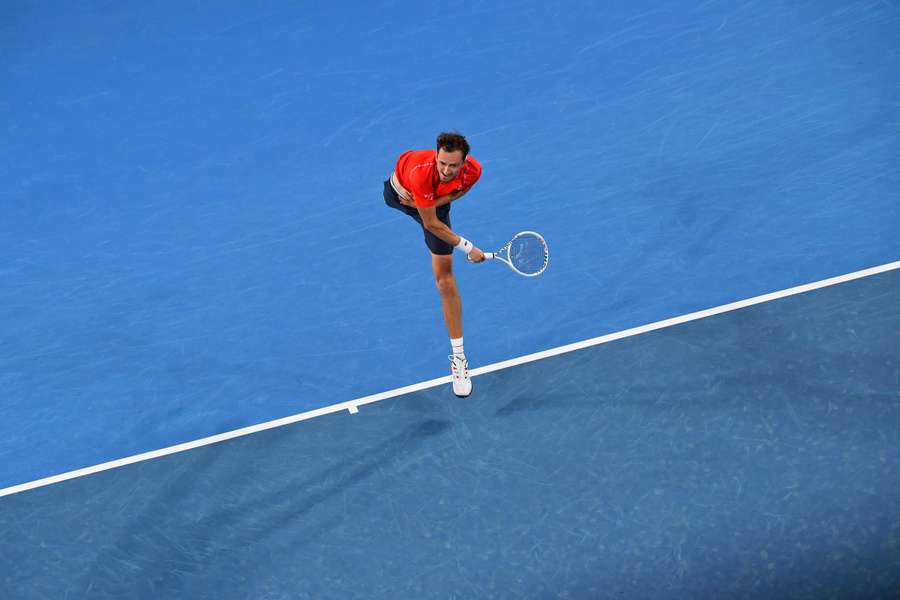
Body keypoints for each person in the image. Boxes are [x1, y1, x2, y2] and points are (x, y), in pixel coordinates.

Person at [383, 132, 484, 397]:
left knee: (444, 280)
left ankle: (459, 360)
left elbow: (460, 191)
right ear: (436, 155)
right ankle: (459, 361)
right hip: (402, 195)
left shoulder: (473, 171)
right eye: (442, 163)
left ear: (465, 163)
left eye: (453, 165)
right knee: (437, 233)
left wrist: (436, 201)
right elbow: (430, 222)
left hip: (432, 202)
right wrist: (468, 247)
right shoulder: (422, 173)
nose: (447, 170)